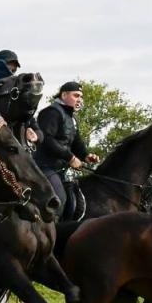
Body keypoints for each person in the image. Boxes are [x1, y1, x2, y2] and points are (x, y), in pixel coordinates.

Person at [33, 81, 100, 221]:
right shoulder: (51, 113)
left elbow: (76, 141)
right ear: (64, 95)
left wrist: (86, 155)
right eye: (76, 95)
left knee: (76, 202)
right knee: (60, 199)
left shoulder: (72, 118)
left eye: (81, 96)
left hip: (60, 170)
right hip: (44, 167)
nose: (80, 99)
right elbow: (47, 139)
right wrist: (70, 157)